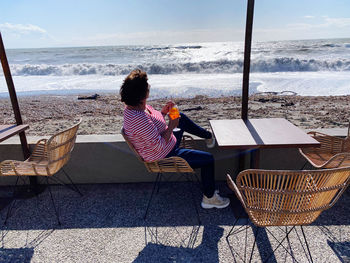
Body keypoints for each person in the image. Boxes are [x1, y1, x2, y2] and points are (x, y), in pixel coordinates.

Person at [120, 69, 230, 209]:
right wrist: (171, 126)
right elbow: (158, 144)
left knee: (180, 117)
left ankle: (207, 136)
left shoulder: (136, 107)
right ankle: (209, 198)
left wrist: (163, 113)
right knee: (208, 159)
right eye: (147, 86)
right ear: (142, 95)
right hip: (164, 154)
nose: (149, 88)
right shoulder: (138, 118)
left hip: (165, 144)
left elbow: (151, 126)